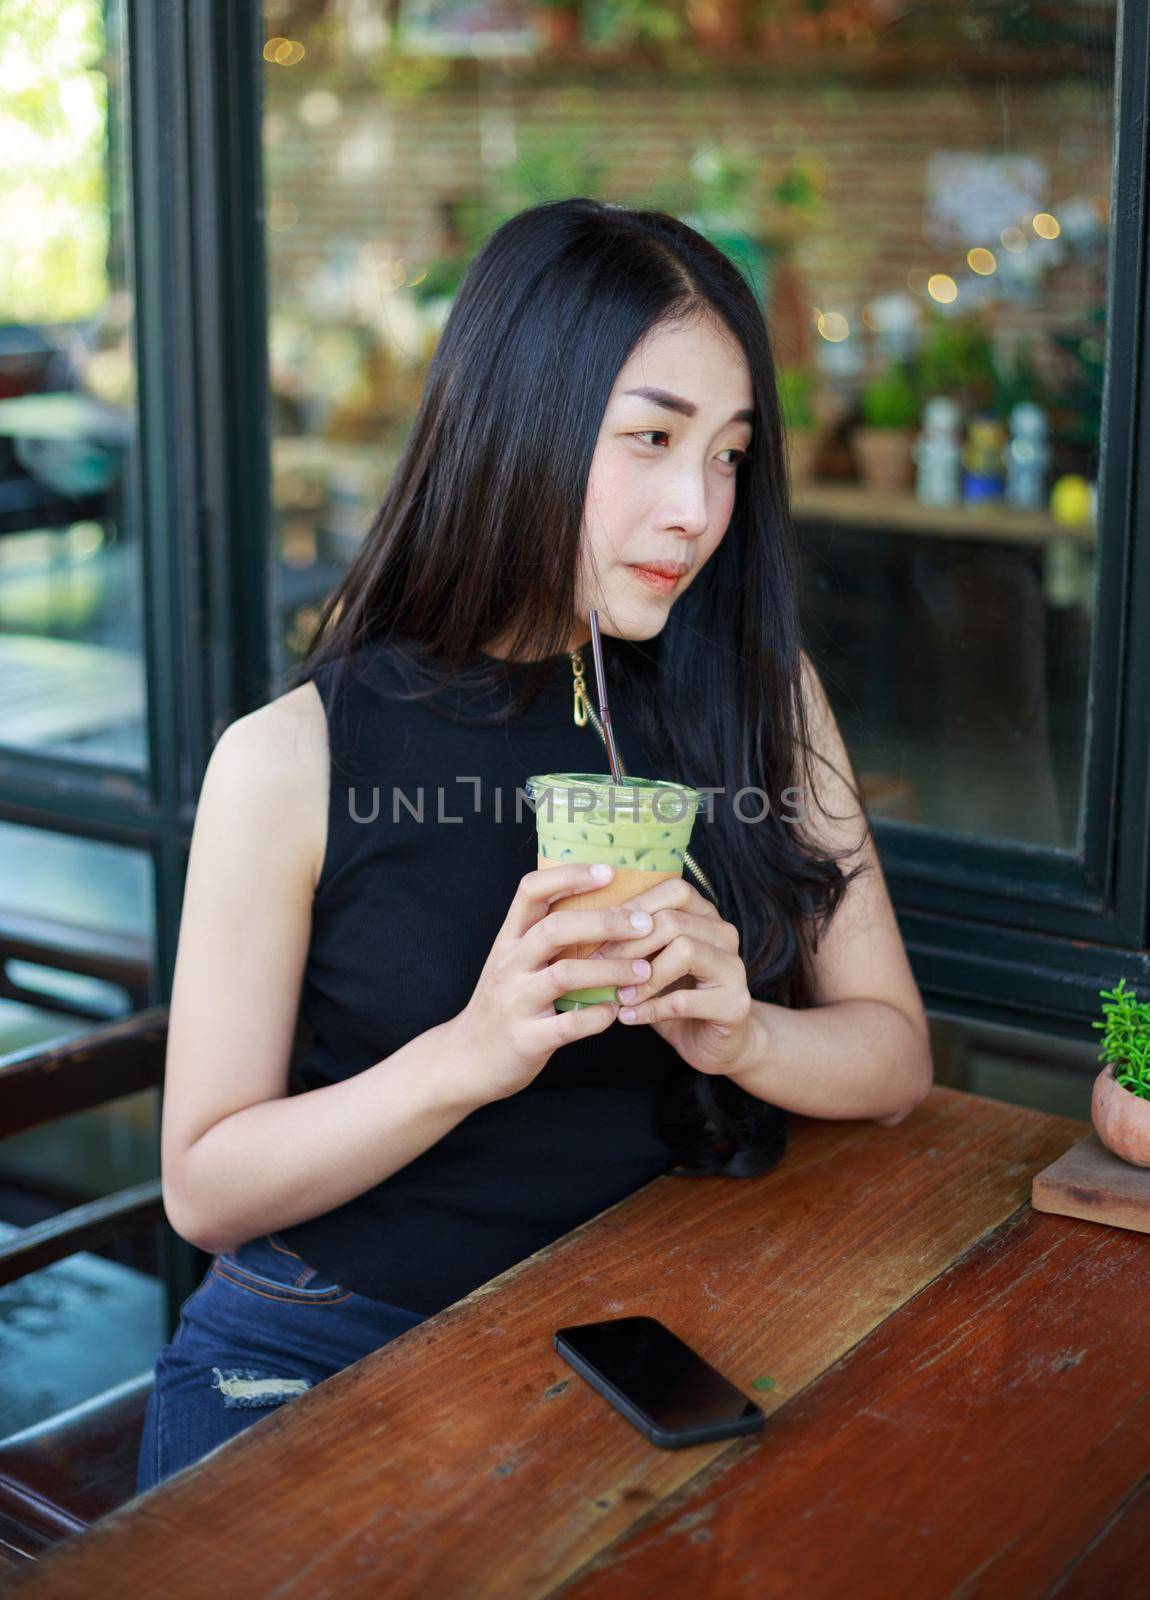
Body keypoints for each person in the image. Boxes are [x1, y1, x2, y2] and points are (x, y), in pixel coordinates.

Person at [135, 196, 932, 1493]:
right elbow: (205, 1190)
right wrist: (470, 1054)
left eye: (729, 454)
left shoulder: (755, 692)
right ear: (518, 422)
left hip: (646, 1327)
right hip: (325, 1342)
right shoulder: (293, 758)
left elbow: (893, 1059)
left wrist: (745, 1035)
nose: (697, 507)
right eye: (651, 440)